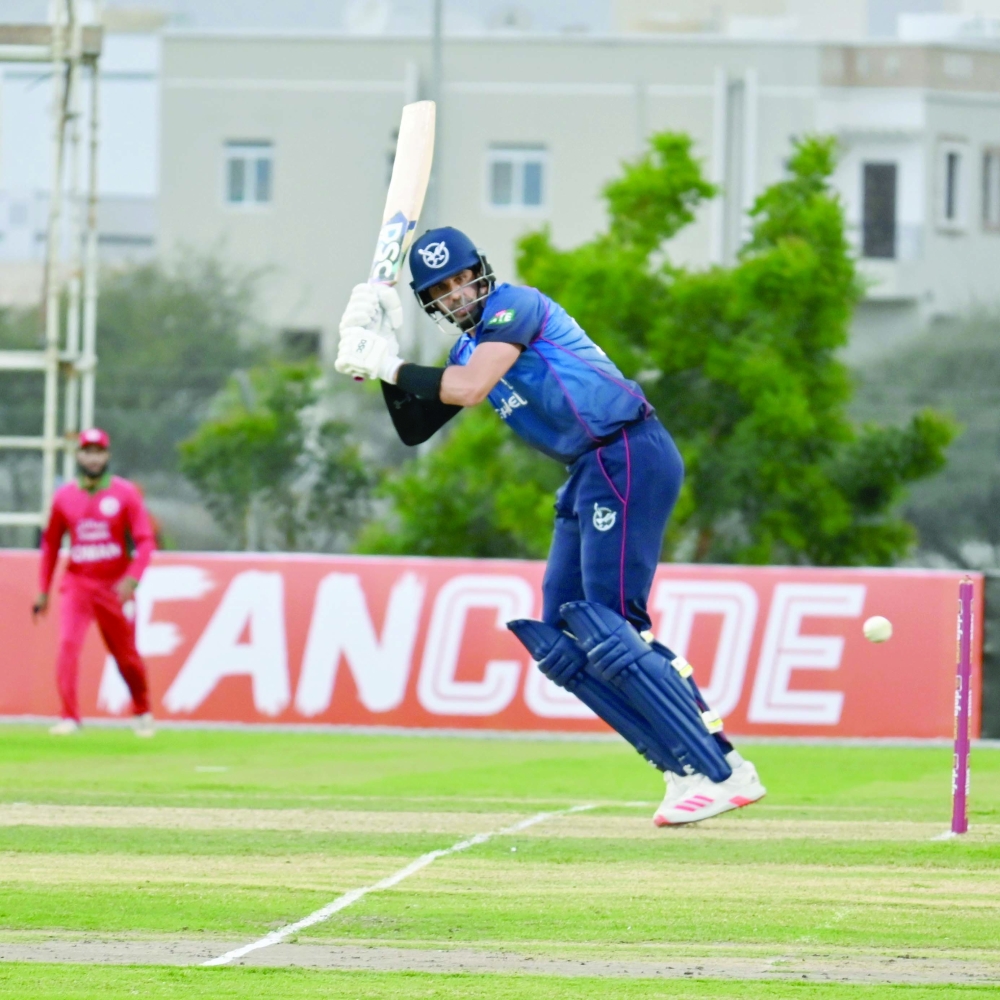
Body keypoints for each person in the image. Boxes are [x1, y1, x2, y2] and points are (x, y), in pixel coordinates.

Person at [335, 227, 765, 825]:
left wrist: (388, 360)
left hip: (627, 450)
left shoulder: (516, 305)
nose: (457, 295)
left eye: (462, 280)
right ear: (430, 301)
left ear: (480, 273)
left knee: (616, 629)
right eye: (441, 290)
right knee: (566, 638)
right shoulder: (465, 351)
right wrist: (379, 349)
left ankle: (722, 767)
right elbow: (414, 427)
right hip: (588, 471)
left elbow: (469, 388)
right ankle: (679, 766)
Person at [33, 428, 156, 737]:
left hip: (114, 587)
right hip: (77, 584)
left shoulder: (124, 493)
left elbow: (145, 540)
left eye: (98, 452)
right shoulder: (64, 497)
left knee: (126, 656)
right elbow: (51, 544)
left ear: (107, 455)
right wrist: (43, 590)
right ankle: (70, 717)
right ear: (78, 456)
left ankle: (142, 710)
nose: (92, 458)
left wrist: (132, 579)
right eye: (87, 452)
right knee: (68, 645)